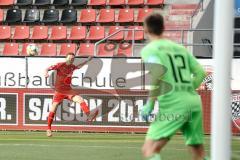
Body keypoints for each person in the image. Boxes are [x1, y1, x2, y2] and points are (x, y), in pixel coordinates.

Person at [140, 13, 208, 160]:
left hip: (173, 104)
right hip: (193, 102)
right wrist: (188, 89)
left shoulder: (150, 50)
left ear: (145, 29)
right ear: (163, 28)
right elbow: (201, 72)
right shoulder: (180, 48)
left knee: (149, 149)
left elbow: (157, 72)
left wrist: (150, 104)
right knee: (198, 153)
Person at [44, 53, 98, 137]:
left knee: (80, 99)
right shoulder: (60, 65)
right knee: (53, 108)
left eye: (73, 58)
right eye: (69, 58)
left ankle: (89, 116)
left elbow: (79, 66)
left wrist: (87, 60)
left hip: (68, 90)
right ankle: (48, 129)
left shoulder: (72, 67)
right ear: (66, 58)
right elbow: (47, 68)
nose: (71, 59)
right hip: (59, 91)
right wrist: (45, 73)